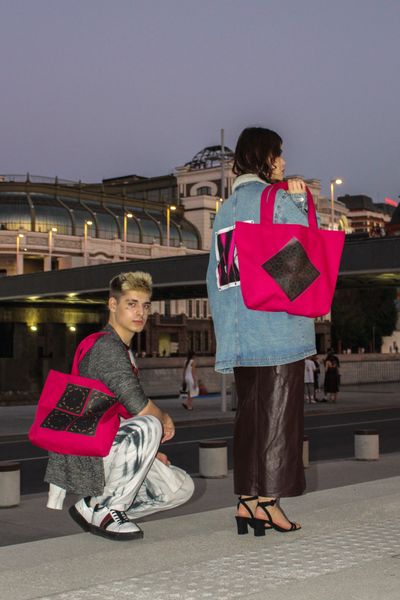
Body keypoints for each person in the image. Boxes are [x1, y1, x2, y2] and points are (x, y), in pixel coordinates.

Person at [207, 126, 317, 536]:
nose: (283, 162)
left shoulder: (225, 210)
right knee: (279, 419)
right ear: (263, 158)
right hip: (277, 332)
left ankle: (247, 501)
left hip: (240, 334)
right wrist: (300, 202)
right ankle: (269, 503)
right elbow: (304, 259)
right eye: (278, 154)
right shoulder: (276, 199)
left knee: (250, 418)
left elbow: (220, 276)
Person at [44, 271, 194, 541]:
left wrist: (146, 453)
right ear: (113, 305)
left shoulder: (123, 350)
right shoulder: (106, 346)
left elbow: (123, 415)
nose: (141, 312)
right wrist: (164, 418)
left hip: (107, 445)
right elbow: (138, 406)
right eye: (131, 304)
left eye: (145, 305)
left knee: (180, 488)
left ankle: (95, 506)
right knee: (150, 423)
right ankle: (108, 509)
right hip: (86, 450)